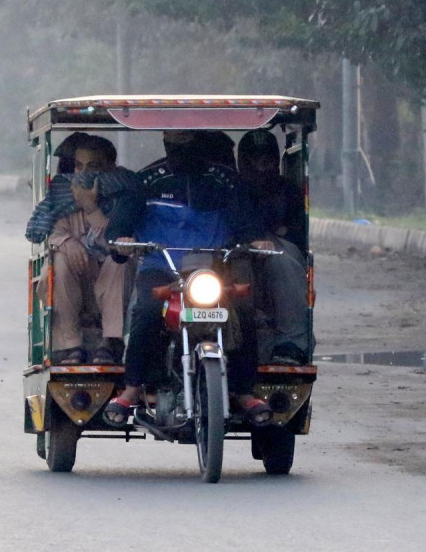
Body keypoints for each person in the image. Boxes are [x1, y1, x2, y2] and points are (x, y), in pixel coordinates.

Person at [103, 130, 269, 426]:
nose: (181, 152)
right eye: (174, 145)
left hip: (212, 269)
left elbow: (247, 225)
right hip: (161, 267)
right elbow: (117, 229)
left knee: (242, 311)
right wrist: (121, 240)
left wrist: (255, 241)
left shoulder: (226, 182)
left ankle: (244, 391)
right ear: (166, 145)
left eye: (188, 144)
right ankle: (132, 387)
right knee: (147, 312)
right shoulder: (146, 181)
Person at [41, 136, 142, 365]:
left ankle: (110, 341)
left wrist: (91, 208)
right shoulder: (66, 197)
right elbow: (54, 235)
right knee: (60, 260)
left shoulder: (123, 198)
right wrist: (68, 243)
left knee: (119, 259)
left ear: (109, 168)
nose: (84, 173)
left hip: (115, 288)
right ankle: (70, 345)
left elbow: (114, 240)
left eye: (93, 166)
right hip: (80, 285)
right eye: (79, 166)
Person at [236, 130, 313, 364]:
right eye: (254, 159)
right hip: (231, 246)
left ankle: (291, 343)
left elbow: (296, 231)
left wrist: (268, 237)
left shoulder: (287, 191)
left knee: (281, 259)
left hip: (274, 250)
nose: (261, 165)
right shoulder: (229, 187)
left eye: (267, 158)